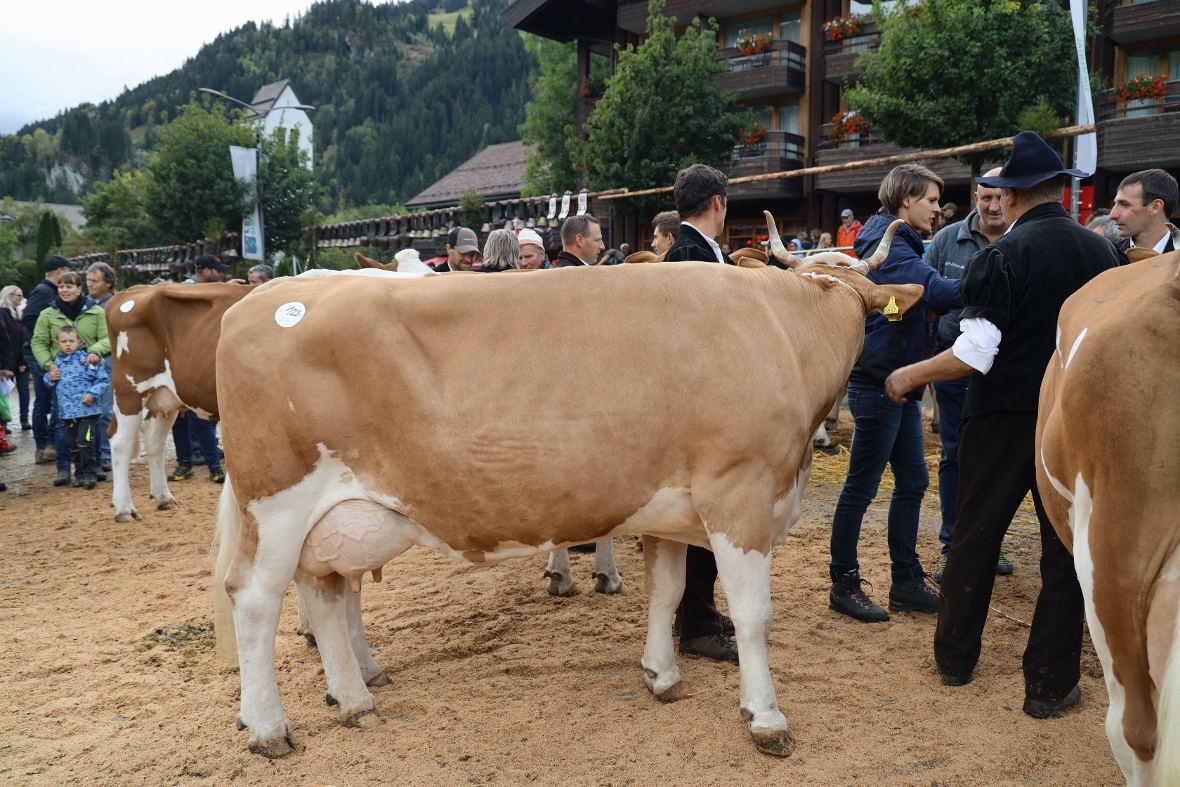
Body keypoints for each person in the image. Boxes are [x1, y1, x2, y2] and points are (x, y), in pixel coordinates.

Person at [883, 131, 1122, 717]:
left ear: (1012, 197)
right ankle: (1049, 683)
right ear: (1057, 193)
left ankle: (955, 659)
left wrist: (909, 376)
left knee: (976, 534)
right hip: (1074, 419)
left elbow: (974, 354)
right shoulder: (1103, 255)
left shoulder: (1002, 254)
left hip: (1007, 418)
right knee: (1064, 549)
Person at [828, 163, 963, 623]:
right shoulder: (889, 244)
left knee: (912, 482)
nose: (937, 209)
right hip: (879, 383)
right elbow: (938, 291)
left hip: (900, 381)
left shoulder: (900, 239)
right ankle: (843, 582)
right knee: (860, 489)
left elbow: (917, 301)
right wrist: (991, 279)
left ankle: (905, 579)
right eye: (930, 200)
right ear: (906, 199)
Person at [662, 163, 739, 664]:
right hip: (699, 403)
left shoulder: (699, 250)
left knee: (704, 522)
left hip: (704, 401)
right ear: (718, 203)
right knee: (699, 522)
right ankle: (694, 624)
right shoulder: (690, 253)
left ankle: (700, 611)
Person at [923, 168, 1013, 583]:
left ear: (1012, 196)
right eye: (985, 198)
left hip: (1007, 372)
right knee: (955, 454)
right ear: (976, 197)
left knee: (999, 459)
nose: (992, 206)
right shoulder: (946, 240)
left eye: (999, 197)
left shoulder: (1023, 238)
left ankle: (986, 544)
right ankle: (952, 547)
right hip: (955, 368)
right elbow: (921, 294)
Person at [30, 270, 110, 487]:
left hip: (89, 373)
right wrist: (49, 365)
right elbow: (37, 342)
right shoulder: (48, 314)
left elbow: (106, 338)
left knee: (95, 422)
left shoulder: (95, 312)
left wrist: (95, 351)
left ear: (79, 288)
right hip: (63, 378)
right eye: (61, 286)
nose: (65, 290)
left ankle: (96, 464)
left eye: (69, 286)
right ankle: (65, 468)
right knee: (61, 425)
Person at [169, 255, 227, 485]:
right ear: (204, 271)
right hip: (179, 357)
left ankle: (214, 466)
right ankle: (185, 464)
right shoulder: (182, 292)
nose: (221, 274)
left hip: (200, 358)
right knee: (179, 417)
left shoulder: (216, 293)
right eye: (216, 270)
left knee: (200, 416)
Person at [43, 325, 109, 489]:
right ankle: (79, 473)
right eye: (64, 341)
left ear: (79, 342)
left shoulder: (86, 361)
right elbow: (50, 383)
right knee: (73, 444)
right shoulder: (57, 364)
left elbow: (103, 380)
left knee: (85, 441)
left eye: (71, 341)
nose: (68, 344)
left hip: (87, 412)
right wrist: (50, 377)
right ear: (57, 344)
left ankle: (89, 472)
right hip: (67, 414)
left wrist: (92, 394)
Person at [22, 255, 74, 464]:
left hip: (41, 352)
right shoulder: (44, 292)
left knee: (51, 400)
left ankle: (50, 445)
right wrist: (52, 340)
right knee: (46, 400)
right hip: (38, 353)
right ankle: (44, 446)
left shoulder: (49, 292)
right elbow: (28, 317)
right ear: (60, 271)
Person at [85, 262, 117, 473]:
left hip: (109, 361)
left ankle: (106, 453)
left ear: (109, 283)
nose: (90, 284)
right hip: (84, 365)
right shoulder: (83, 304)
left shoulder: (116, 304)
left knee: (106, 409)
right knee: (86, 411)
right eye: (87, 280)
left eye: (94, 281)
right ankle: (87, 455)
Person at [1109, 168, 1179, 254]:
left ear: (1155, 207)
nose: (1112, 215)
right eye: (1115, 204)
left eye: (1124, 204)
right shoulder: (1110, 257)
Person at [0, 285, 30, 431]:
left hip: (20, 358)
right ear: (9, 296)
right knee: (4, 392)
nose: (21, 298)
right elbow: (5, 341)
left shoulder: (19, 315)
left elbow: (23, 338)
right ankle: (3, 422)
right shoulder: (2, 314)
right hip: (7, 361)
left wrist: (22, 360)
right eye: (19, 295)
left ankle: (24, 418)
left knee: (24, 389)